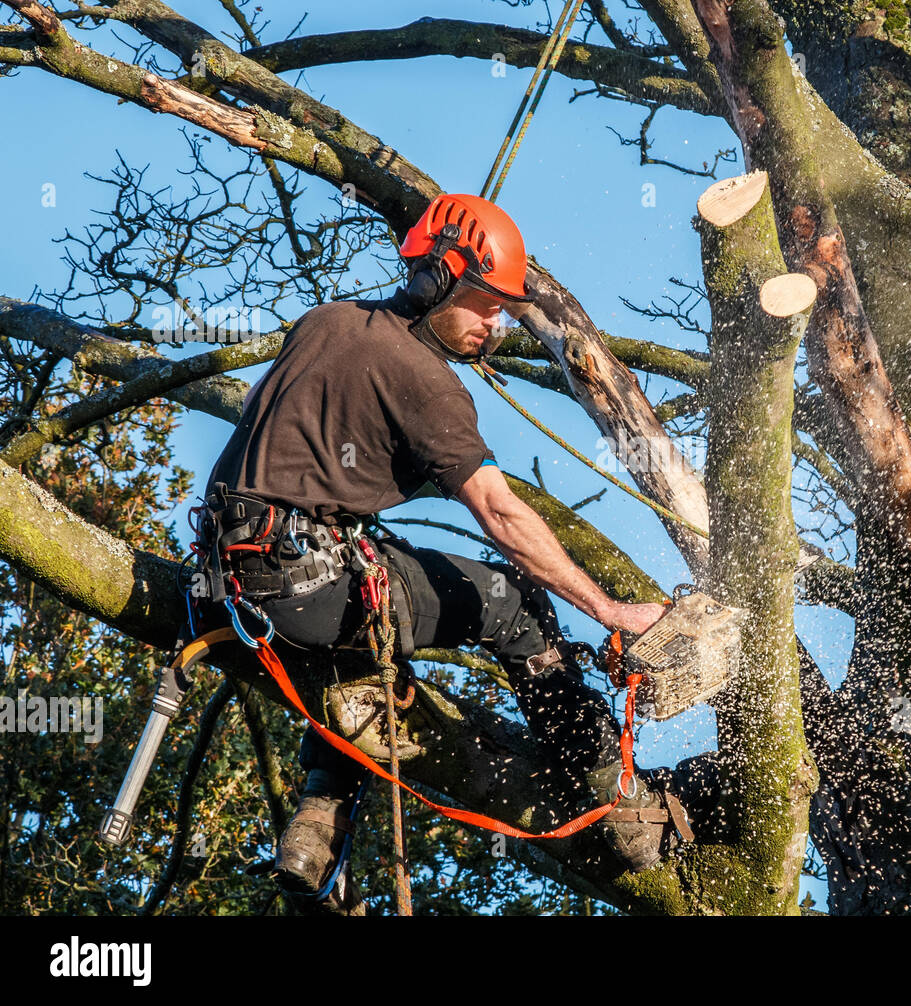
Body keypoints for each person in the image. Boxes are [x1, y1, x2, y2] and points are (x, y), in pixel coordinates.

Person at [198, 194, 705, 914]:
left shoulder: (326, 323)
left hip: (223, 584)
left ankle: (318, 822)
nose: (493, 325)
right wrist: (609, 608)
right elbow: (498, 511)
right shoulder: (425, 381)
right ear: (439, 279)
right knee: (513, 603)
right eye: (485, 305)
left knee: (376, 598)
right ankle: (618, 801)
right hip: (305, 588)